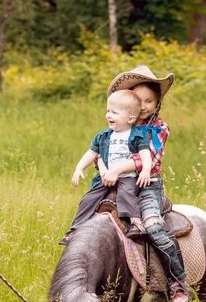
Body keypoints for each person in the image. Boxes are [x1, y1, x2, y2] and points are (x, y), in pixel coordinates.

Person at [101, 65, 194, 302]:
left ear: (157, 104)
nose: (143, 106)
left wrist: (117, 169)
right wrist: (103, 168)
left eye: (149, 101)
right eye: (138, 100)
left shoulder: (159, 128)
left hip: (147, 185)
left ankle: (178, 283)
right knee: (95, 220)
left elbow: (148, 157)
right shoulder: (120, 124)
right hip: (120, 184)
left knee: (153, 227)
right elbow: (102, 150)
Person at [59, 90, 152, 244]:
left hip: (127, 177)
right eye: (108, 111)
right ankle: (75, 229)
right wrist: (79, 168)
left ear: (130, 118)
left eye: (114, 113)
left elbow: (145, 154)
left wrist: (146, 170)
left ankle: (136, 223)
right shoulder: (104, 136)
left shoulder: (137, 135)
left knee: (126, 194)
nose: (109, 115)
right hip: (105, 176)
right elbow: (91, 153)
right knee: (89, 198)